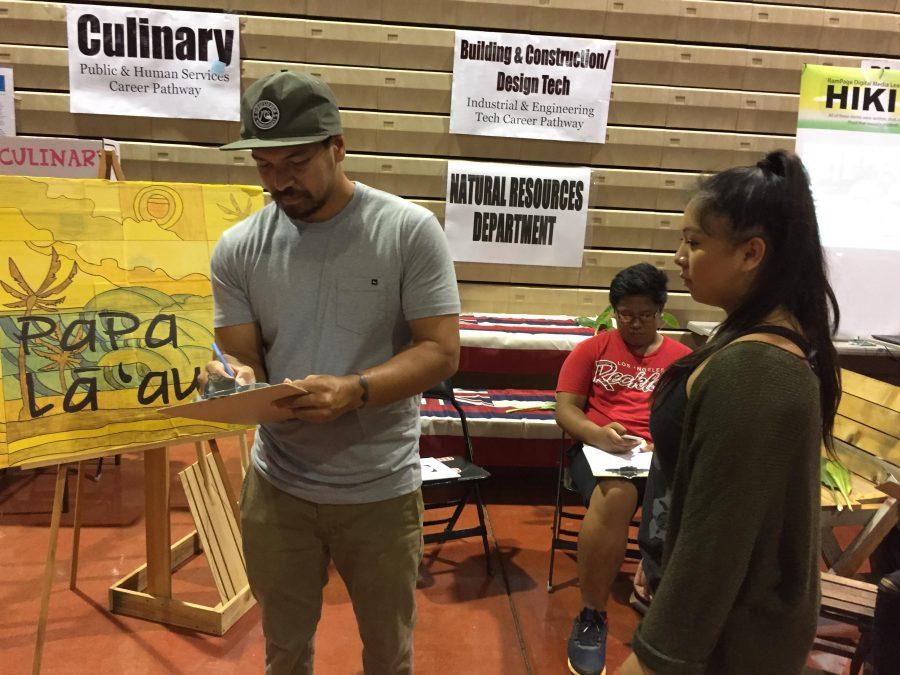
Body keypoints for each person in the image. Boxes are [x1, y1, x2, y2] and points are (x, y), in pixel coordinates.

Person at [206, 70, 461, 675]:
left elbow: (441, 352)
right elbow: (242, 359)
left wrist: (356, 390)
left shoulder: (406, 231)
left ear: (337, 147)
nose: (279, 180)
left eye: (295, 161)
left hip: (380, 489)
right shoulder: (238, 248)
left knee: (388, 653)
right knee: (285, 650)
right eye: (265, 165)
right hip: (279, 488)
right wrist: (232, 382)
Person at [621, 150, 842, 675]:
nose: (679, 255)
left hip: (728, 642)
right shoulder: (746, 343)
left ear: (751, 253)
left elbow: (716, 549)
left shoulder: (757, 369)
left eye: (694, 242)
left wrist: (652, 660)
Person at [555, 263, 691, 675]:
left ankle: (671, 607)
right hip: (599, 451)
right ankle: (591, 615)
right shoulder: (592, 349)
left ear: (660, 313)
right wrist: (598, 434)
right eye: (625, 314)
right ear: (614, 311)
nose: (634, 323)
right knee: (618, 493)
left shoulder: (682, 359)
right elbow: (566, 409)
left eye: (645, 315)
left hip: (658, 454)